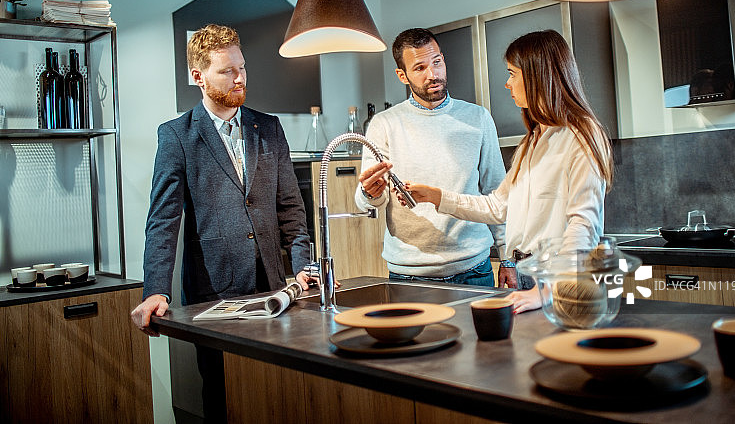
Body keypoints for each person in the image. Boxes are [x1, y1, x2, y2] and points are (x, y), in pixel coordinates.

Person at [130, 24, 313, 422]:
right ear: (198, 76)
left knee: (279, 393)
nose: (240, 77)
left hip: (275, 287)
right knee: (224, 396)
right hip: (214, 292)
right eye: (227, 70)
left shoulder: (269, 127)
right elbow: (163, 219)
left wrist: (304, 268)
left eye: (242, 67)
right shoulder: (177, 136)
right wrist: (154, 289)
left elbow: (291, 210)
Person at [400, 30, 614, 313]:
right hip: (530, 279)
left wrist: (545, 291)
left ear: (537, 75)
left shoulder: (582, 135)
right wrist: (435, 196)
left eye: (512, 74)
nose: (507, 83)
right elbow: (498, 207)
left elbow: (583, 225)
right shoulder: (533, 140)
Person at [356, 28, 509, 287]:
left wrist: (507, 258)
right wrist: (369, 192)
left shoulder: (478, 118)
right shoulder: (384, 124)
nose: (433, 74)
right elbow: (368, 203)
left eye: (437, 62)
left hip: (473, 267)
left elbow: (497, 193)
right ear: (402, 75)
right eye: (420, 68)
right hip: (409, 273)